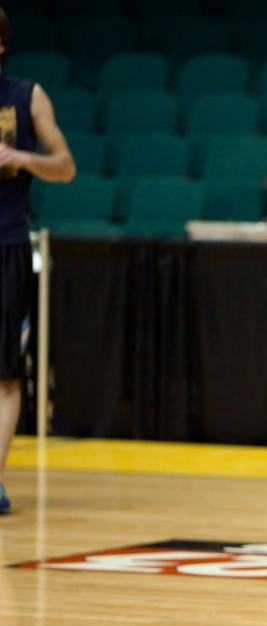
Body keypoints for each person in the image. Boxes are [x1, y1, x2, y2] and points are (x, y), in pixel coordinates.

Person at [0, 5, 76, 515]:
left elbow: (65, 166)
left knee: (5, 372)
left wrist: (22, 158)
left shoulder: (26, 97)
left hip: (6, 243)